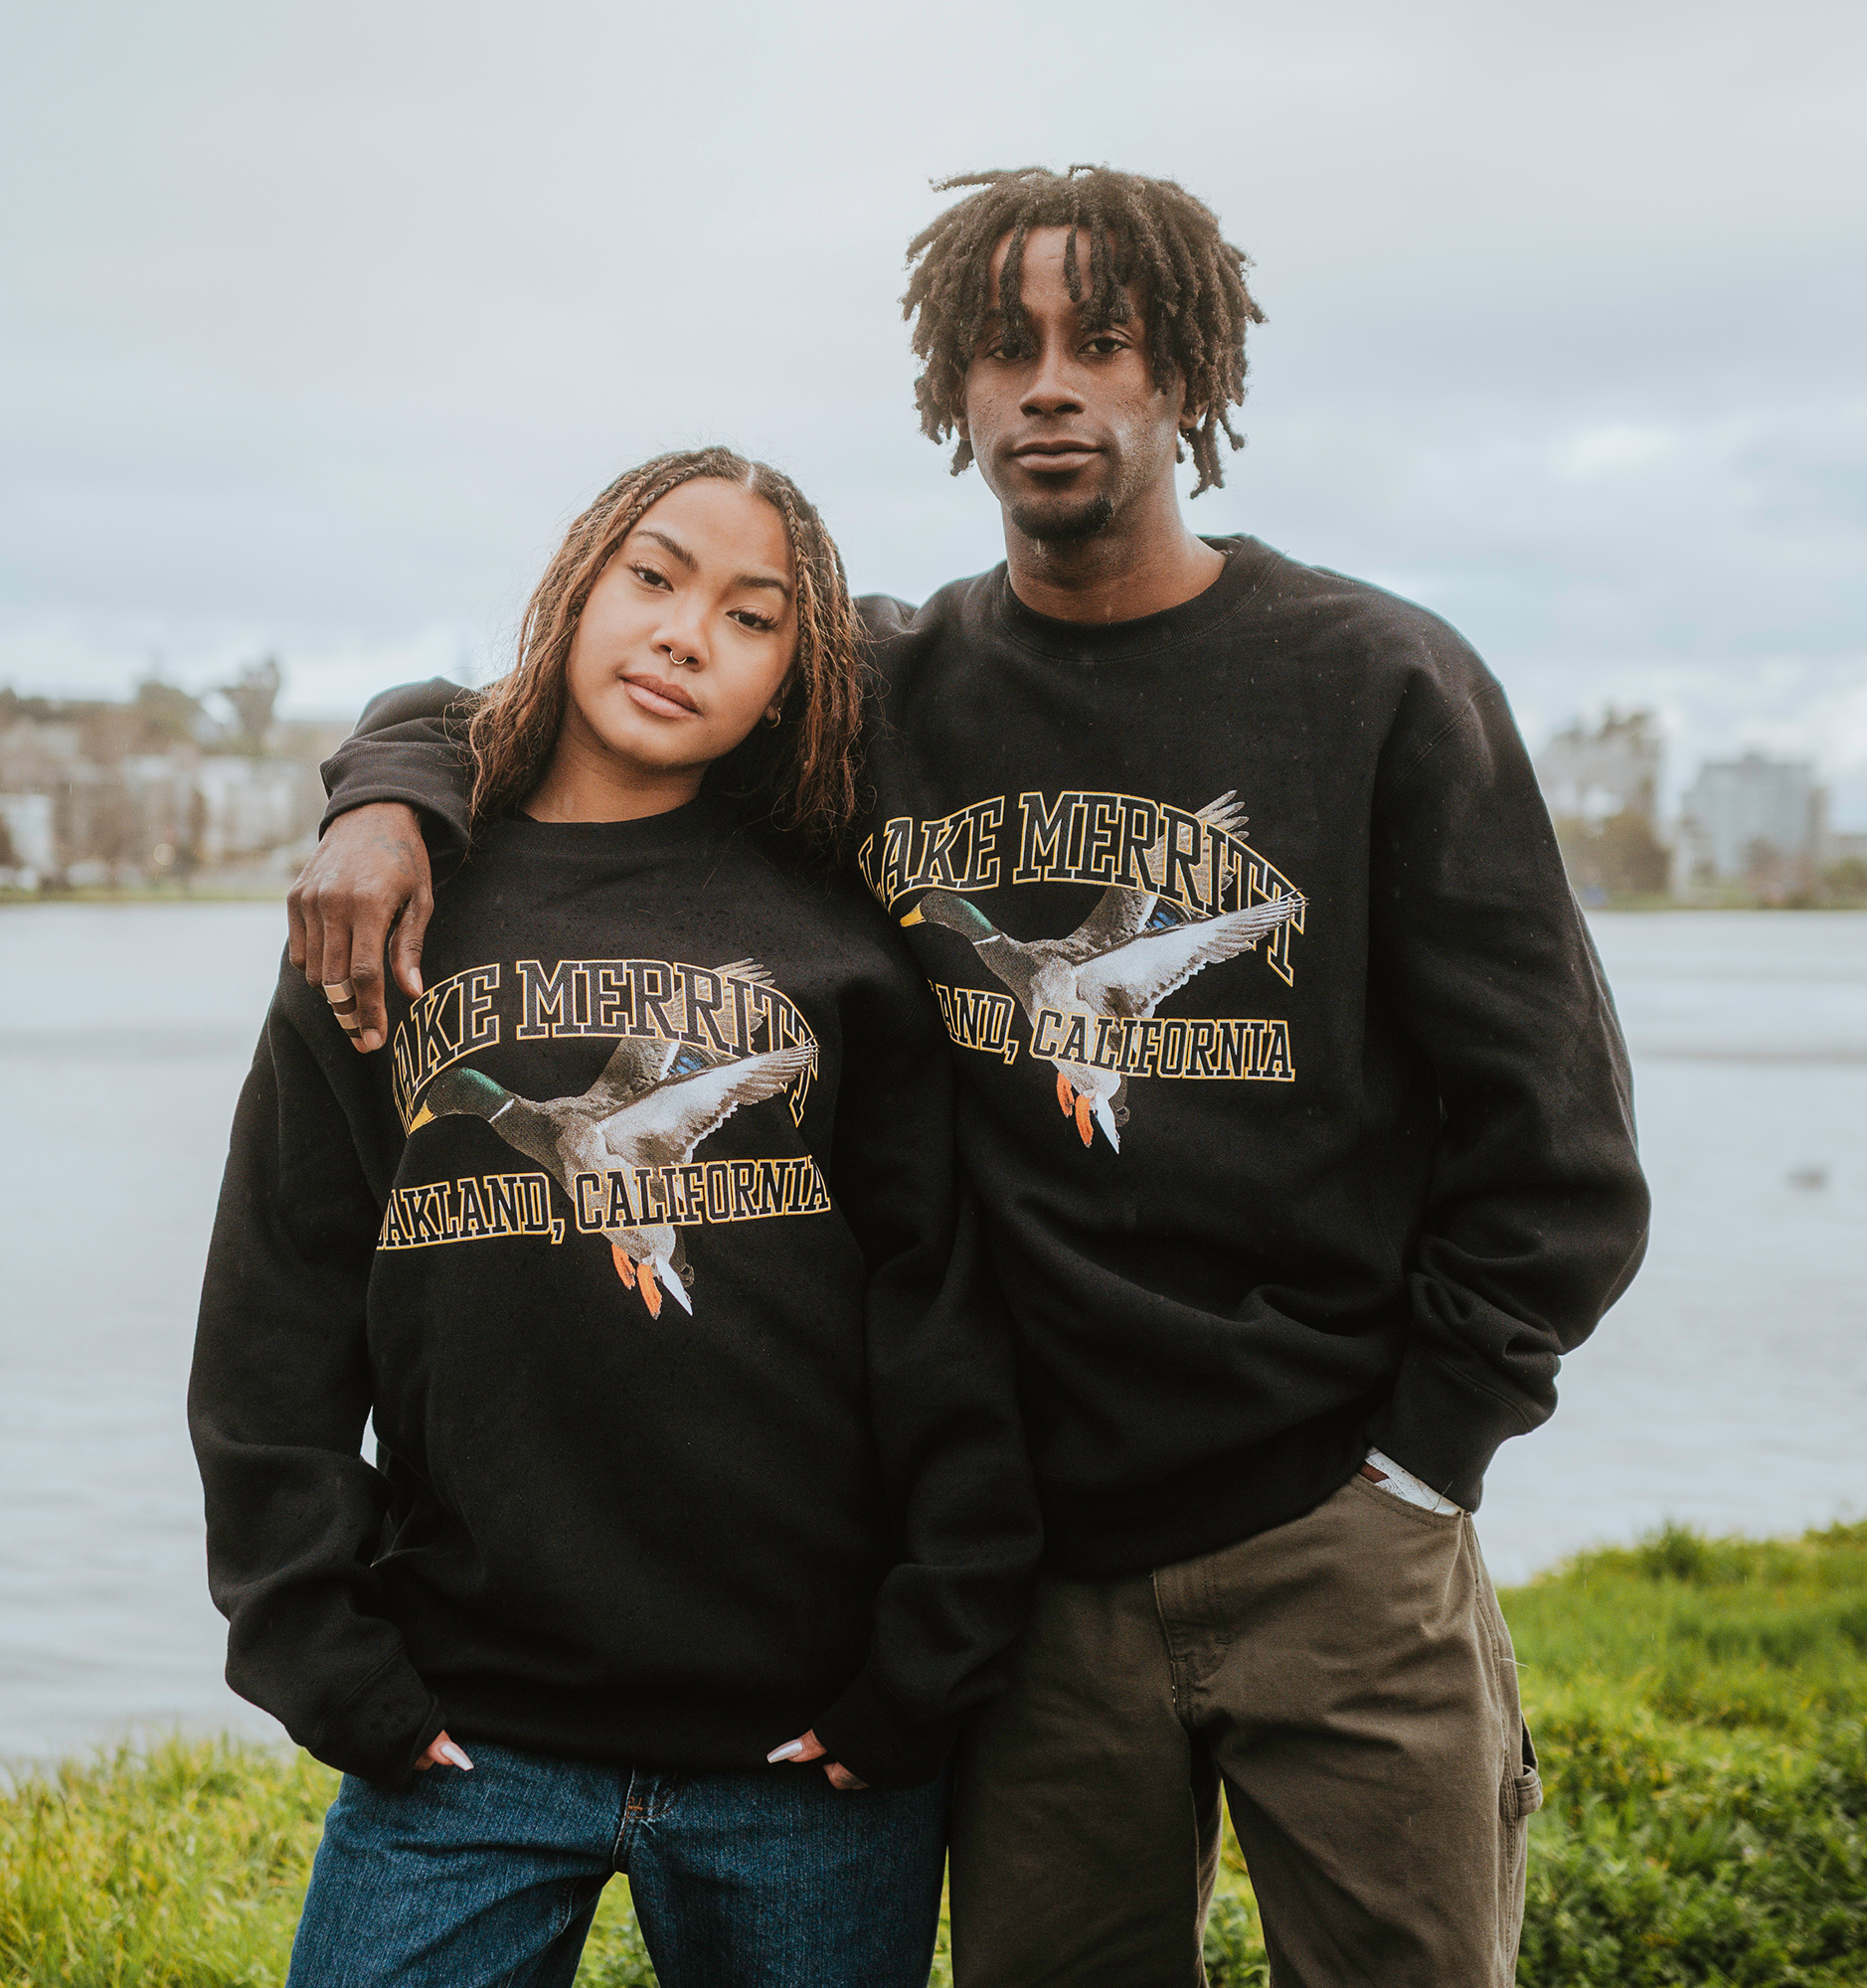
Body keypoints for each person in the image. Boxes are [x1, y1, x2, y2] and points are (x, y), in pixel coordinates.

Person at [292, 166, 1652, 1988]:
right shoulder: (885, 688)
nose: (1049, 386)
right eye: (1001, 349)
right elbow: (588, 687)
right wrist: (390, 788)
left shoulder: (1383, 681)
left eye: (1104, 342)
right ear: (950, 394)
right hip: (1038, 1587)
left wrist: (1430, 1452)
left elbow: (1552, 1126)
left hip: (1340, 1529)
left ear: (1191, 376)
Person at [191, 445, 1039, 1988]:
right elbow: (278, 1300)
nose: (682, 633)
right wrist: (323, 1652)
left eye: (749, 615)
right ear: (578, 584)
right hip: (468, 1740)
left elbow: (941, 1317)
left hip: (803, 1751)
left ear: (791, 677)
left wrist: (919, 1662)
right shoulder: (387, 904)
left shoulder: (840, 940)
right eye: (653, 576)